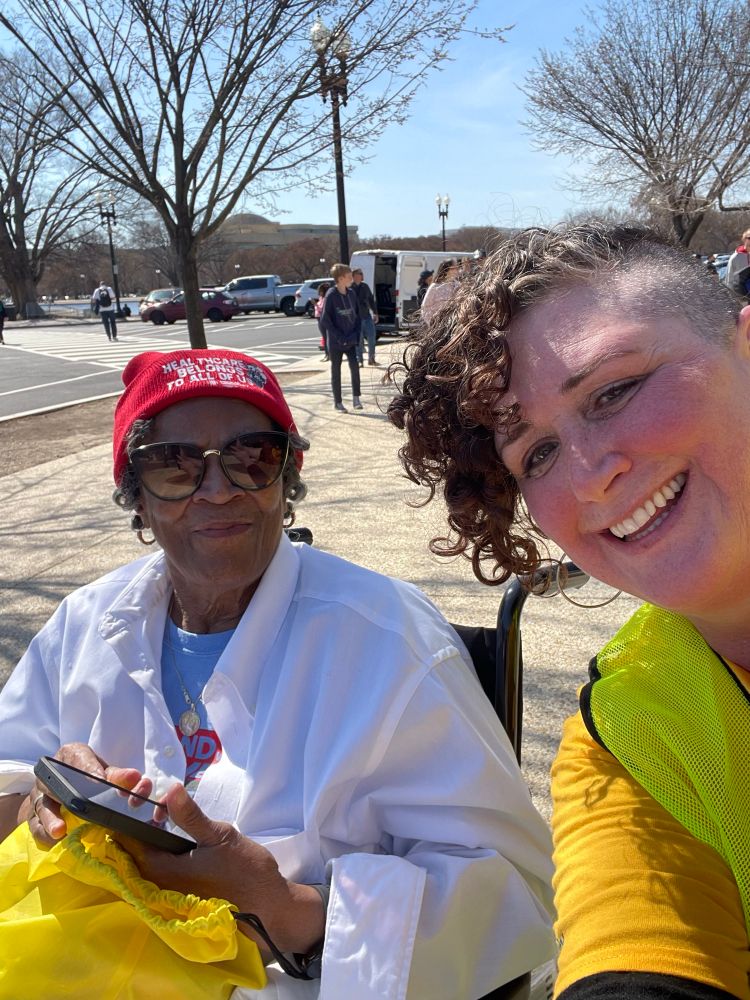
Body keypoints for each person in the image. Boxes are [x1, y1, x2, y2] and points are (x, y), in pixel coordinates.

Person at [0, 347, 555, 999]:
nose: (218, 488)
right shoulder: (82, 625)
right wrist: (47, 798)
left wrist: (286, 909)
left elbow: (518, 895)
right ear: (136, 495)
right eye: (174, 465)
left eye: (252, 456)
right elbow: (10, 777)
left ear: (287, 477)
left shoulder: (391, 643)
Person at [388, 223, 750, 1000]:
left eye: (614, 391)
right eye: (538, 455)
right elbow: (637, 943)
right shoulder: (627, 739)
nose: (590, 478)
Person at [318, 263, 362, 412]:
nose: (352, 279)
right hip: (336, 342)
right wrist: (339, 336)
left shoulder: (351, 294)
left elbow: (357, 316)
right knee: (336, 371)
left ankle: (356, 398)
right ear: (340, 278)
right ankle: (338, 402)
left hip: (350, 339)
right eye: (349, 276)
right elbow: (325, 320)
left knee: (354, 367)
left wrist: (355, 334)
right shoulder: (331, 295)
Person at [350, 267, 379, 366]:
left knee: (371, 338)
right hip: (356, 318)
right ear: (353, 276)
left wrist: (375, 313)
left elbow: (371, 300)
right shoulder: (350, 288)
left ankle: (371, 359)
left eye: (361, 274)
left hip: (367, 316)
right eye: (359, 274)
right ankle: (359, 360)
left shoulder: (365, 286)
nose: (361, 276)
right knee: (359, 340)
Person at [724, 228, 750, 299]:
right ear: (744, 239)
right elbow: (729, 280)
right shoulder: (735, 257)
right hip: (741, 297)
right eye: (749, 238)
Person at [314, 281, 331, 361]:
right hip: (319, 318)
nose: (318, 293)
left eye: (320, 291)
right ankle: (327, 354)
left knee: (326, 337)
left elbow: (322, 309)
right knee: (325, 337)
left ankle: (328, 355)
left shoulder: (325, 299)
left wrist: (315, 304)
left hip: (323, 318)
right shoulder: (321, 298)